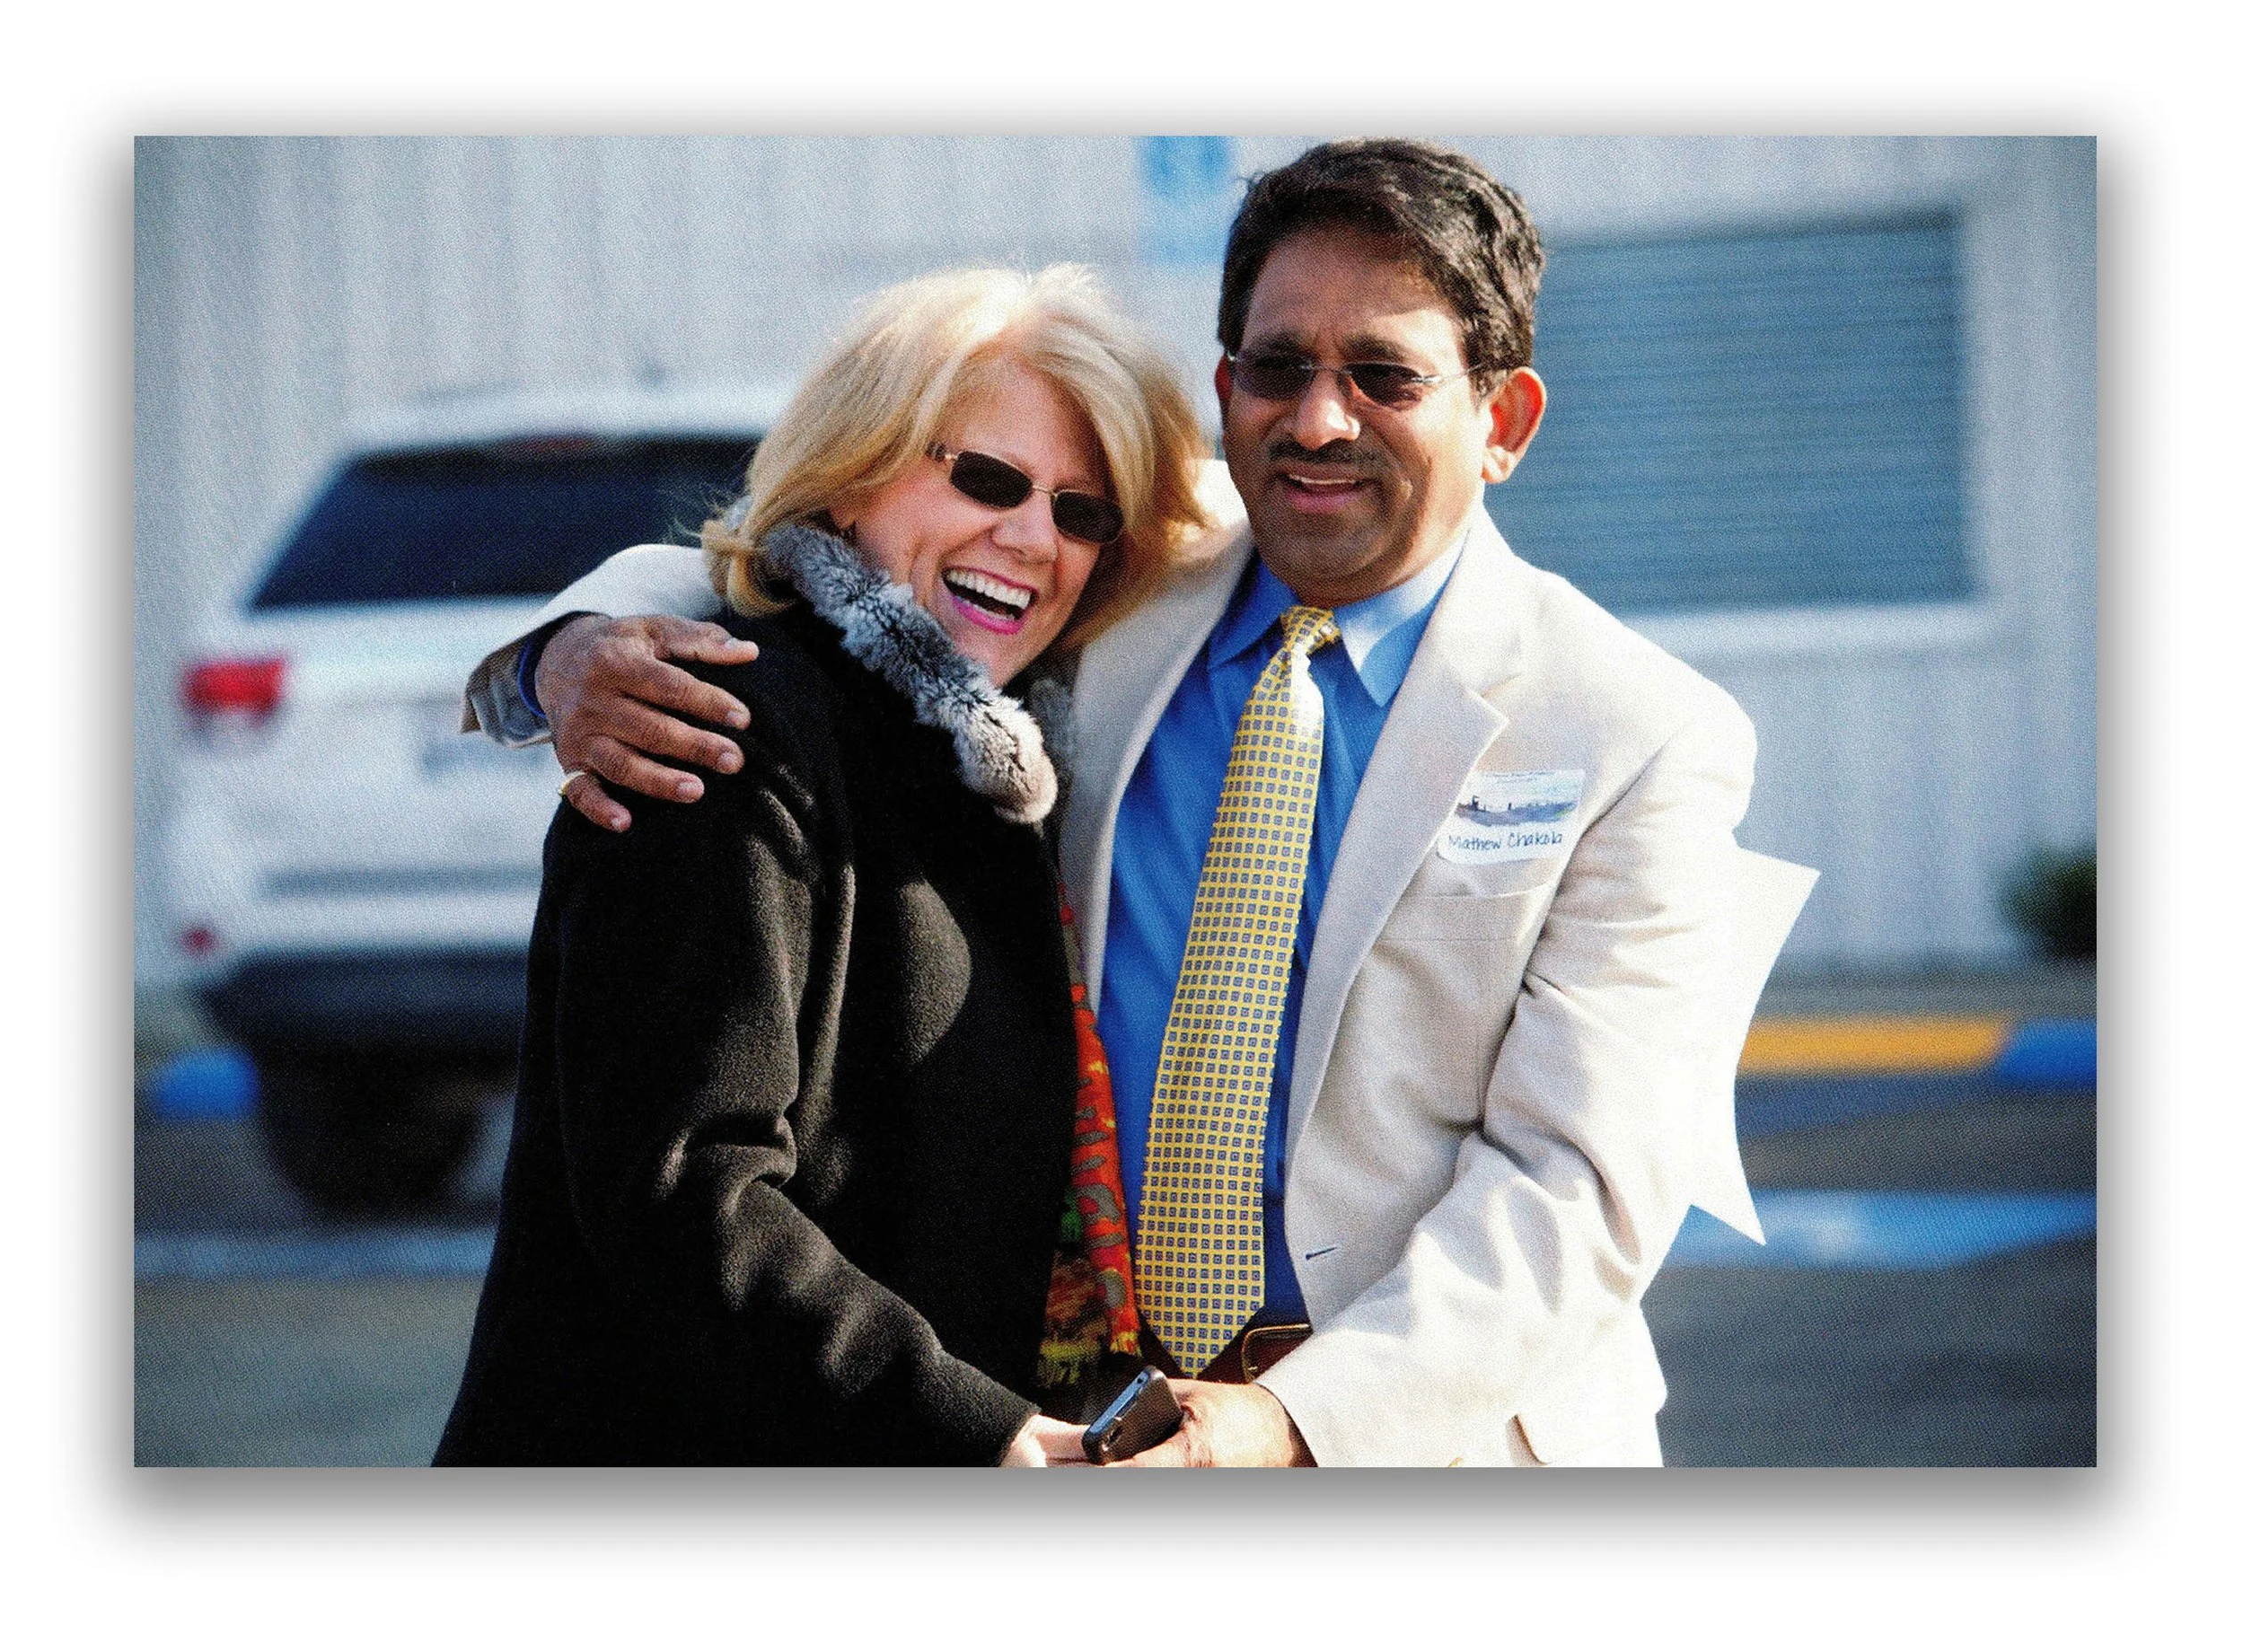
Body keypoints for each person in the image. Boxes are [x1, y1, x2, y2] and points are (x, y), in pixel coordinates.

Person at [462, 139, 1816, 1467]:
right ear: (1229, 388)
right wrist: (569, 651)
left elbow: (1576, 1190)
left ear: (1502, 421)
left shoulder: (1638, 735)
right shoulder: (1126, 586)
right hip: (1093, 1422)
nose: (1320, 420)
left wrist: (1290, 1425)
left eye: (1386, 376)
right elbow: (831, 558)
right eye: (1278, 368)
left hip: (1432, 1444)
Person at [435, 263, 1212, 1465]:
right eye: (988, 479)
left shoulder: (995, 762)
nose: (1031, 537)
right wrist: (981, 1433)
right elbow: (686, 1193)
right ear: (854, 475)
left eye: (1082, 512)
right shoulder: (715, 728)